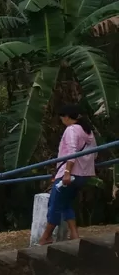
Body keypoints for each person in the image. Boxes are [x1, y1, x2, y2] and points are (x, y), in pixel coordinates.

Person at [38, 105, 97, 245]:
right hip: (83, 175)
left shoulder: (71, 130)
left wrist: (66, 172)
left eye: (61, 118)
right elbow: (95, 154)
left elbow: (71, 152)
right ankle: (74, 234)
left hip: (69, 174)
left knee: (54, 204)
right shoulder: (87, 131)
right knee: (65, 203)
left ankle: (46, 237)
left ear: (66, 117)